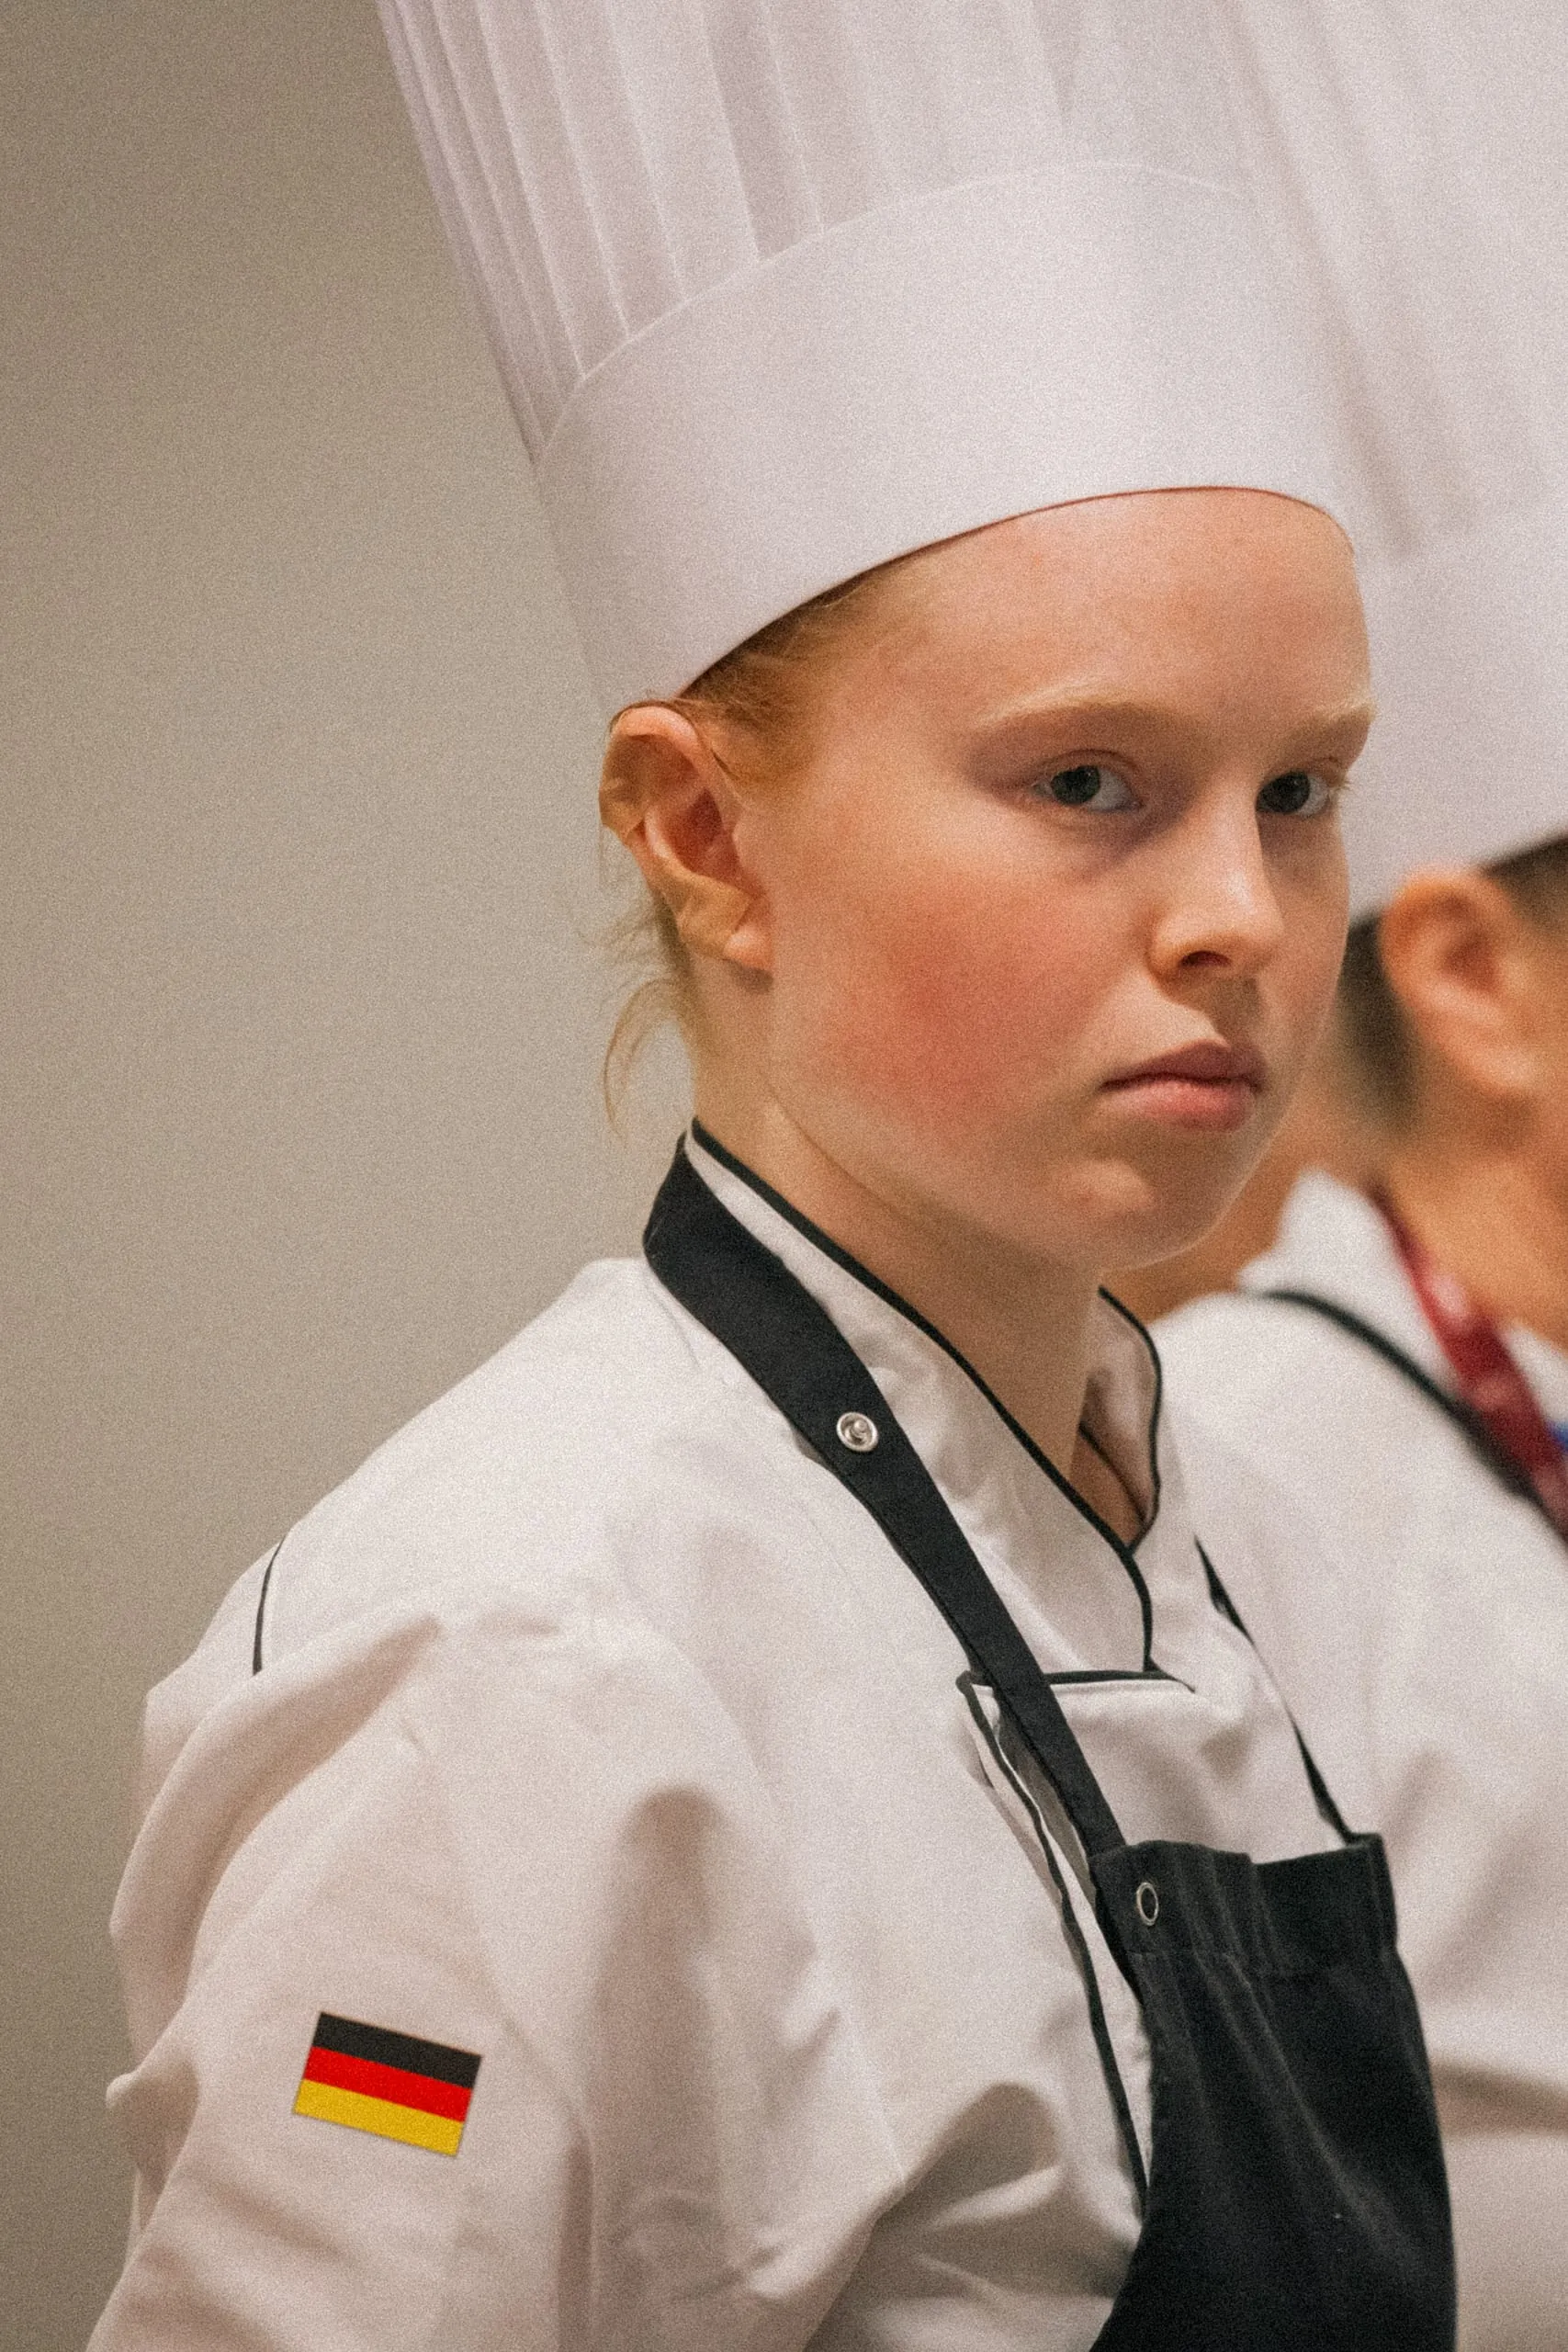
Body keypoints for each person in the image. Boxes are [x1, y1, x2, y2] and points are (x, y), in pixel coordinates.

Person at [89, 6, 1454, 2346]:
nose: (1240, 911)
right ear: (703, 831)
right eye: (1090, 783)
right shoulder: (509, 1661)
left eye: (1299, 789)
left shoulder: (1255, 1547)